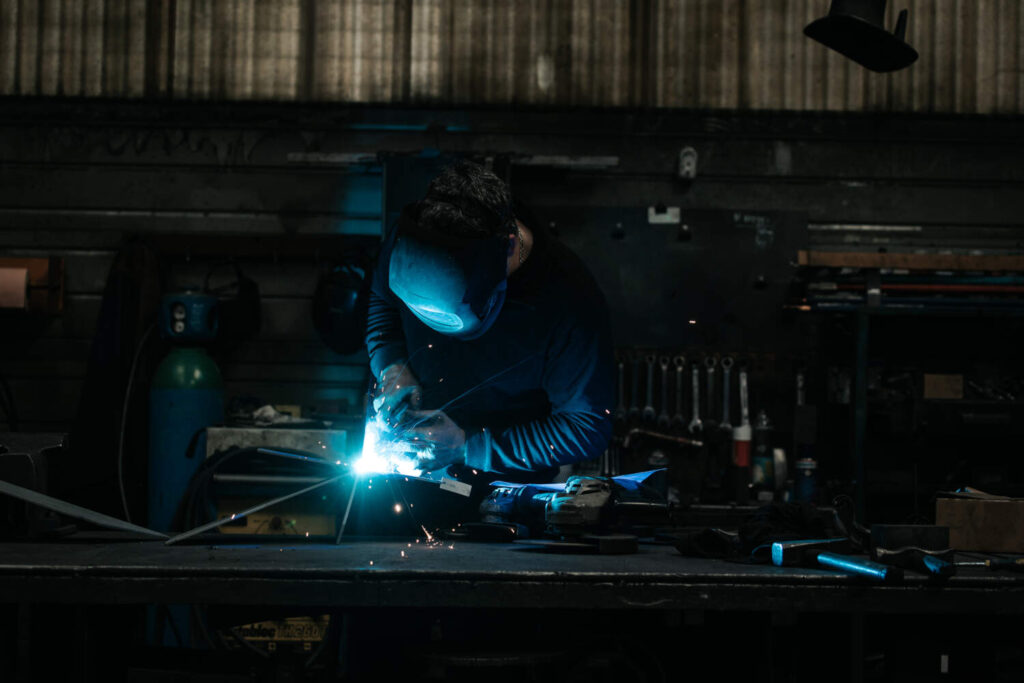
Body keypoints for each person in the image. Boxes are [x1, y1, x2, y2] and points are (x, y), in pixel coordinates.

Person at [365, 161, 613, 483]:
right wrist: (392, 368)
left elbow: (586, 427)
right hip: (411, 473)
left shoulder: (571, 301)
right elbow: (382, 302)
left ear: (509, 245)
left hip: (506, 489)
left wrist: (469, 446)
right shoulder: (413, 238)